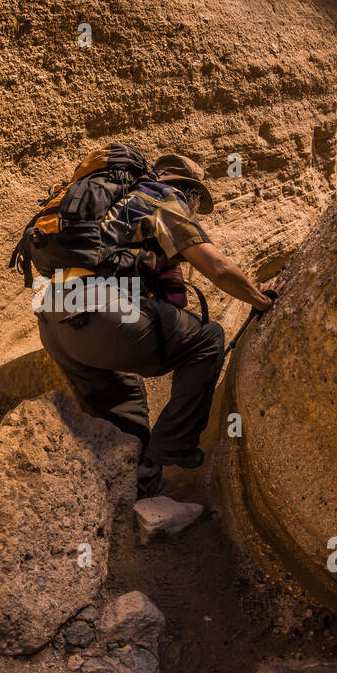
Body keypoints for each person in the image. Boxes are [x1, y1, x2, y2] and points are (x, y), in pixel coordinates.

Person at [33, 147, 279, 496]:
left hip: (54, 321)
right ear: (189, 191)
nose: (194, 209)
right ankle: (174, 444)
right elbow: (219, 268)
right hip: (98, 314)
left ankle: (138, 487)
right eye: (195, 200)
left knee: (125, 400)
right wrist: (258, 297)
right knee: (208, 339)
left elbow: (167, 298)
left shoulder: (116, 206)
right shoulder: (165, 199)